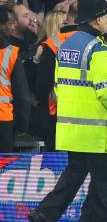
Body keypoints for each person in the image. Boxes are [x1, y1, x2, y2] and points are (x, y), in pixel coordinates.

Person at [27, 0, 107, 222]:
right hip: (95, 130)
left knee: (74, 176)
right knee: (101, 180)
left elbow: (58, 86)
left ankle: (45, 214)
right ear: (97, 18)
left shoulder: (67, 45)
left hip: (71, 128)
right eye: (106, 17)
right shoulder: (99, 49)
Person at [34, 10, 75, 152]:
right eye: (63, 23)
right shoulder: (45, 47)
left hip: (55, 111)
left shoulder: (50, 46)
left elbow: (41, 86)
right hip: (58, 111)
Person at [0, 5, 30, 152]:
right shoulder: (10, 53)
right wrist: (22, 126)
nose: (12, 28)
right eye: (9, 23)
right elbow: (23, 96)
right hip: (3, 120)